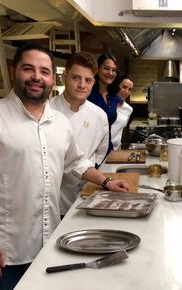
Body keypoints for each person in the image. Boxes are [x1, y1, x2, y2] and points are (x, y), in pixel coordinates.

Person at [0, 44, 129, 290]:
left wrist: (106, 181)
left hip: (49, 243)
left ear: (52, 78)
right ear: (13, 71)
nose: (37, 77)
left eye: (44, 71)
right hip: (7, 251)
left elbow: (76, 161)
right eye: (28, 69)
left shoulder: (59, 122)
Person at [49, 51, 110, 216]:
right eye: (76, 78)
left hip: (88, 194)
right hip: (54, 200)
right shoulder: (47, 111)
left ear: (93, 83)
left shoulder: (100, 116)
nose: (82, 85)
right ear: (64, 77)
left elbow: (99, 155)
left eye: (88, 80)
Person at [88, 52, 123, 152]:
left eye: (114, 70)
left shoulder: (114, 97)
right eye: (106, 68)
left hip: (107, 150)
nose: (110, 73)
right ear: (98, 69)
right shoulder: (88, 93)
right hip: (89, 152)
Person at [111, 75, 134, 150]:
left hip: (117, 148)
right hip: (102, 149)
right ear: (117, 86)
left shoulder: (129, 109)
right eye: (124, 87)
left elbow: (120, 130)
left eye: (130, 89)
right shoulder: (106, 103)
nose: (126, 91)